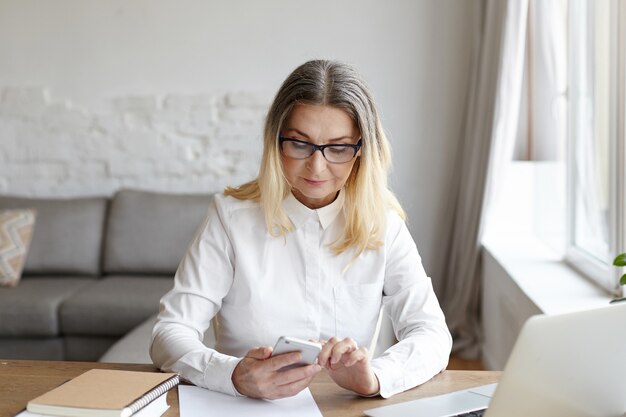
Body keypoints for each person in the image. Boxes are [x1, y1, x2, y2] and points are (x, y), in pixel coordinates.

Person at [150, 59, 452, 400]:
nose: (317, 166)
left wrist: (375, 377)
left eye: (338, 148)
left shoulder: (384, 225)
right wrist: (233, 376)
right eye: (299, 143)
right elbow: (170, 333)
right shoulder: (229, 218)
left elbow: (432, 335)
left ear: (361, 152)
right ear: (276, 141)